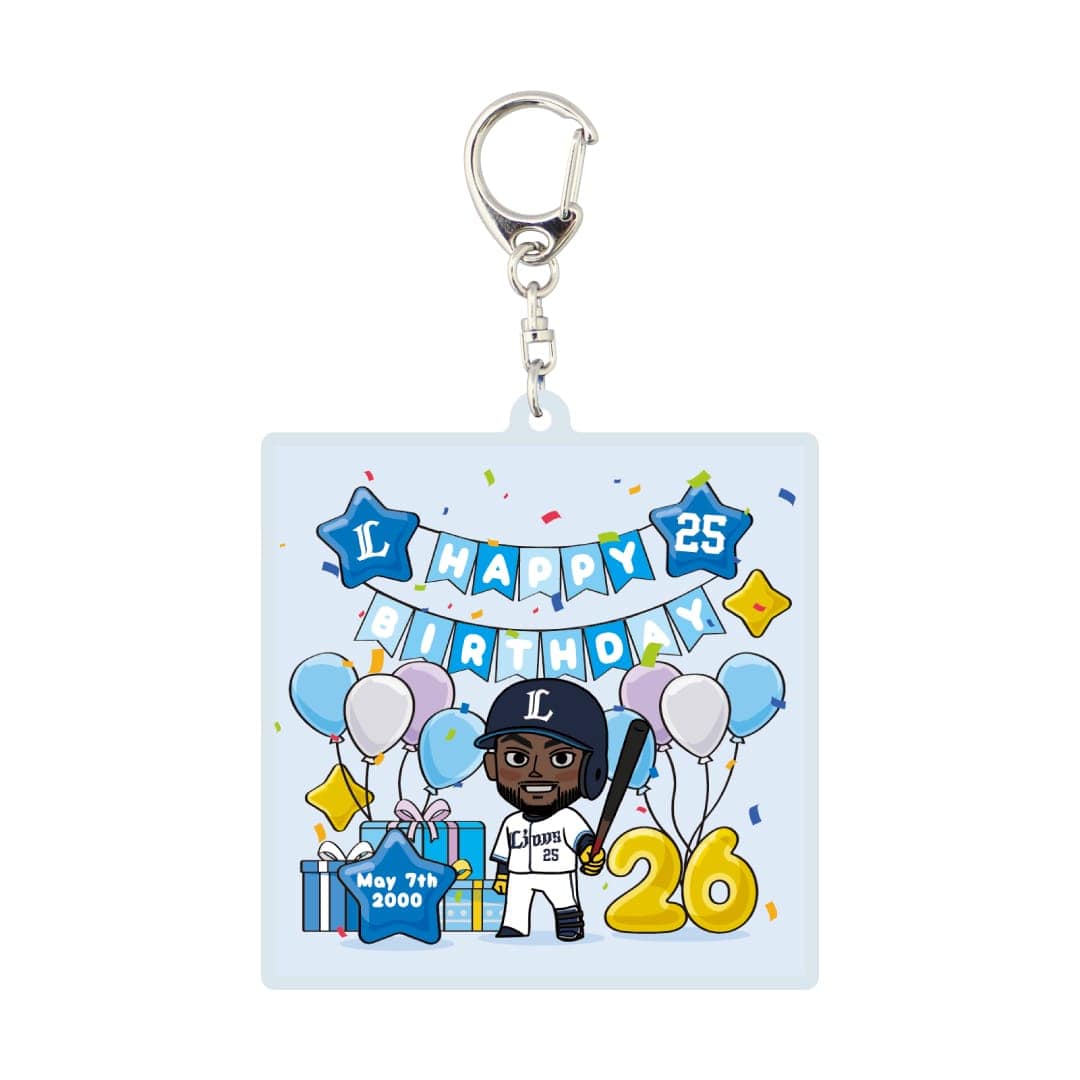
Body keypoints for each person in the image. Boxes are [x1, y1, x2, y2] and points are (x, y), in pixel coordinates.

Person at [474, 678, 608, 941]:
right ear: (491, 765)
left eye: (560, 758)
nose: (535, 771)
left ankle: (569, 925)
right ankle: (514, 927)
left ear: (592, 769)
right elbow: (503, 855)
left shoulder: (568, 818)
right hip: (519, 875)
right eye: (517, 757)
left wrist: (590, 855)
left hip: (558, 872)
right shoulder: (512, 822)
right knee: (515, 904)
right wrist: (502, 877)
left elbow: (583, 841)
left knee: (564, 900)